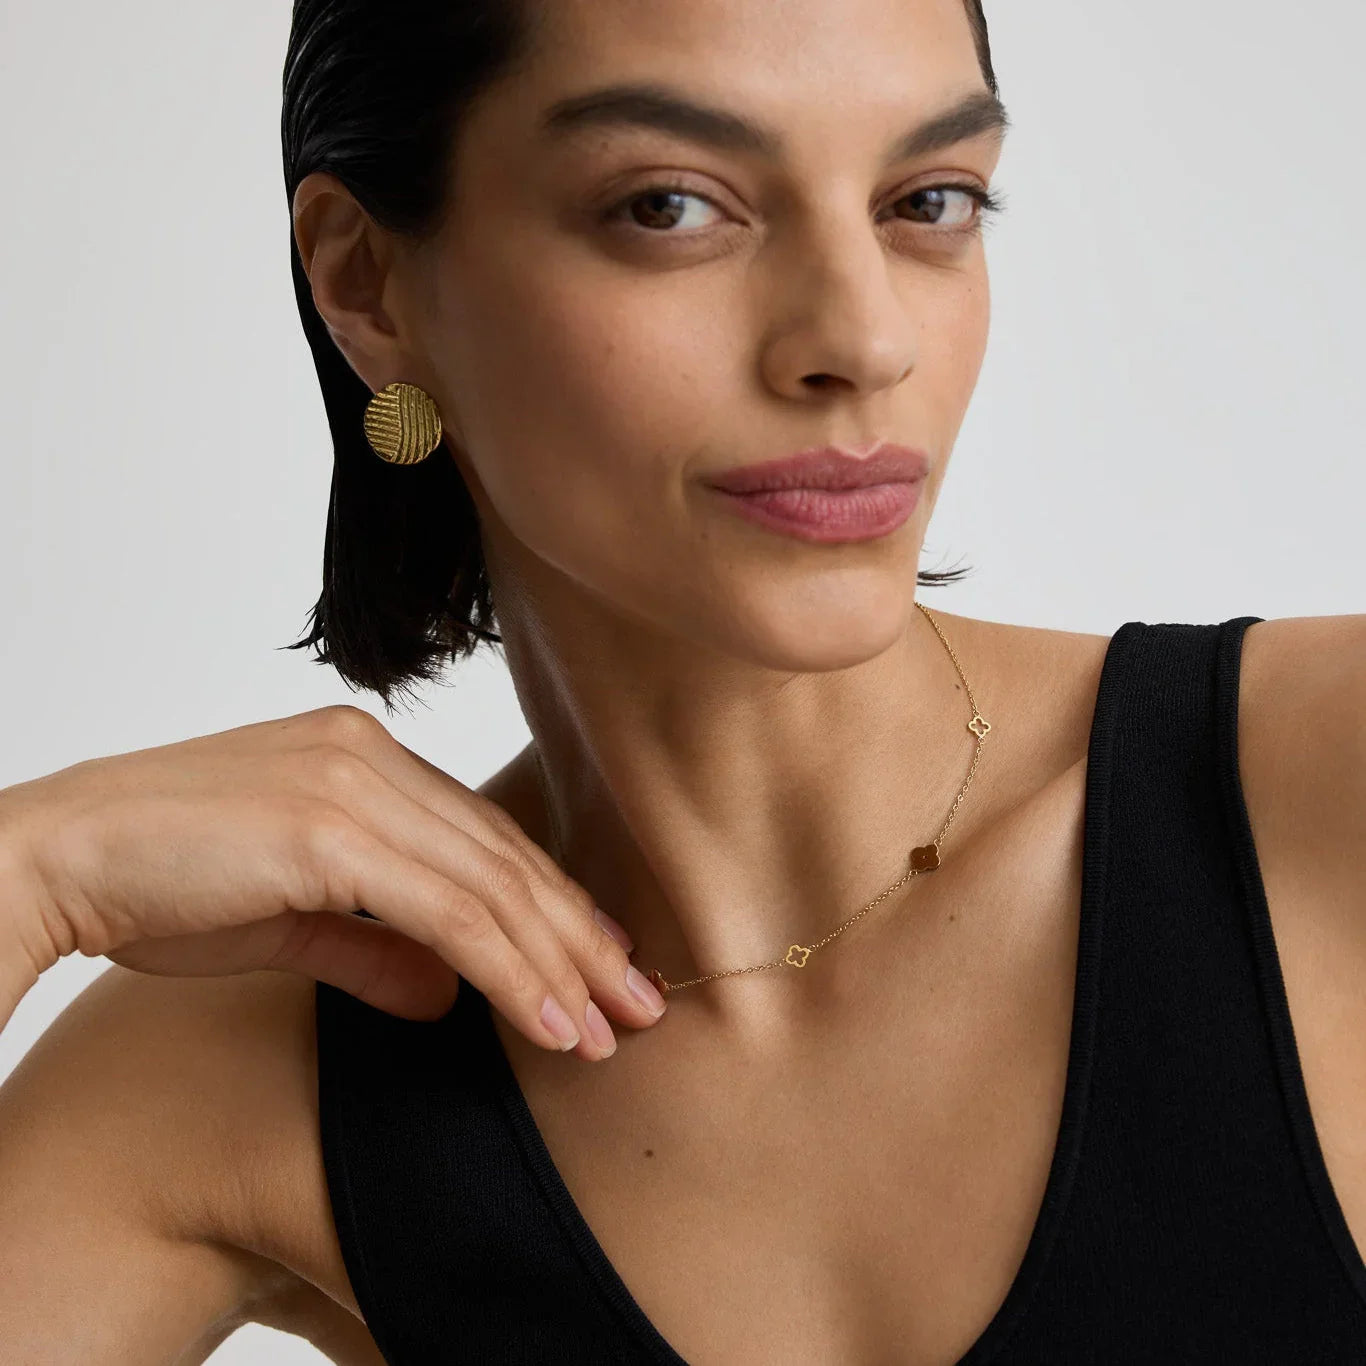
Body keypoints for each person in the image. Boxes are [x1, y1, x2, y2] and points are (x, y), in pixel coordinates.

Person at [1, 0, 1363, 1362]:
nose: (863, 339)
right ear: (367, 285)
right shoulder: (248, 1077)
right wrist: (26, 873)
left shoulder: (1323, 787)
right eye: (670, 206)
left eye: (927, 200)